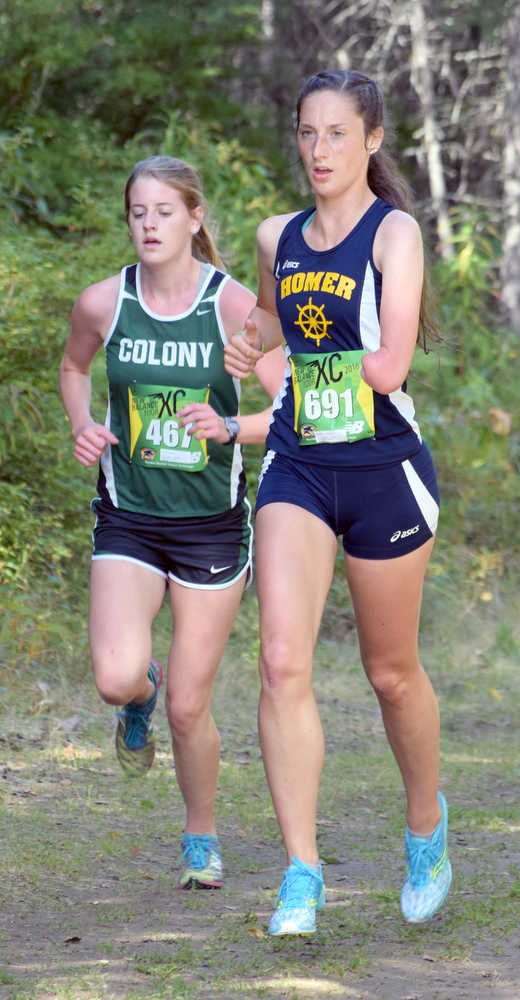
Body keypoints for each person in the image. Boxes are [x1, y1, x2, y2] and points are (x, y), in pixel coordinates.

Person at [224, 70, 451, 935]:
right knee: (282, 661)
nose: (319, 151)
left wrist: (315, 365)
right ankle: (301, 871)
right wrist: (251, 345)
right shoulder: (276, 234)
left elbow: (389, 367)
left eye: (336, 135)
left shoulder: (395, 235)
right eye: (307, 134)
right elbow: (274, 321)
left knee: (390, 674)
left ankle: (426, 827)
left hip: (383, 468)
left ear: (372, 140)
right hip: (298, 466)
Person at [59, 155, 285, 891]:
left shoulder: (233, 307)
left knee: (192, 708)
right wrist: (83, 424)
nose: (149, 225)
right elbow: (73, 367)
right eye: (137, 212)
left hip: (212, 529)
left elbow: (288, 412)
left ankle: (200, 836)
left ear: (194, 218)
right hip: (129, 518)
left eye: (164, 211)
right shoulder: (103, 303)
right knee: (115, 676)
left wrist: (231, 424)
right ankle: (138, 698)